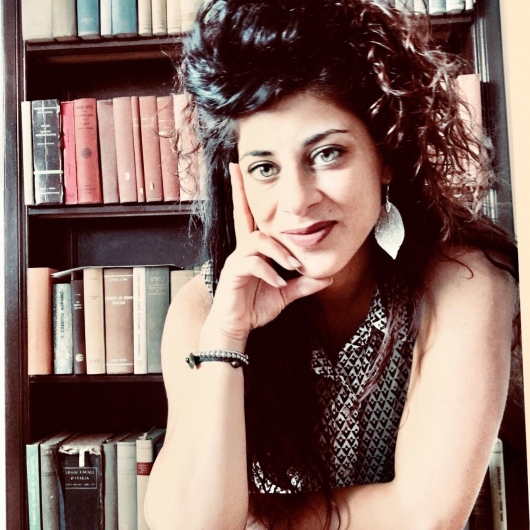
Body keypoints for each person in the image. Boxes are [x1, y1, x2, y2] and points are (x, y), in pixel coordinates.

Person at [145, 1, 520, 528]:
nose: (297, 201)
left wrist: (255, 519)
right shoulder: (206, 309)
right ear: (238, 184)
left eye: (327, 154)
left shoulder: (464, 279)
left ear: (385, 154)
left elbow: (426, 517)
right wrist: (228, 335)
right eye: (265, 167)